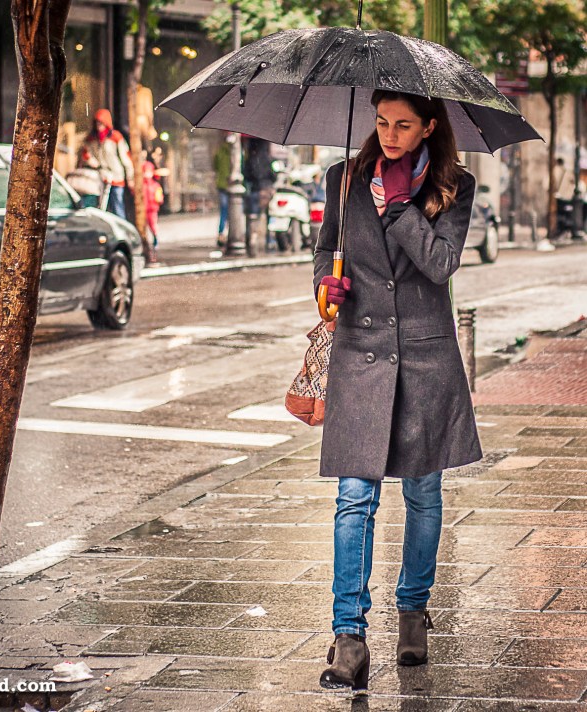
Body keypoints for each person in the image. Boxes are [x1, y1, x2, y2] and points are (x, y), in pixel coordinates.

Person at [313, 89, 482, 692]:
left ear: (429, 128)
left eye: (403, 125)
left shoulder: (454, 187)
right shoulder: (343, 178)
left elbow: (440, 265)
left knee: (422, 494)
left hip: (425, 360)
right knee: (354, 497)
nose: (389, 134)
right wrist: (325, 291)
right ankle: (348, 637)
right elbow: (323, 252)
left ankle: (413, 613)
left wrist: (404, 209)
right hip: (359, 353)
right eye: (382, 122)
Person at [78, 109, 134, 220]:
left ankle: (121, 232)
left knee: (118, 207)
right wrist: (90, 160)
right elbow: (84, 154)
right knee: (101, 209)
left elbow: (126, 158)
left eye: (101, 122)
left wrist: (131, 178)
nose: (99, 125)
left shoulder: (116, 137)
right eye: (97, 122)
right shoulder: (91, 139)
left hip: (116, 177)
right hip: (99, 178)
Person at [213, 133, 233, 246]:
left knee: (224, 211)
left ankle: (221, 234)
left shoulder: (220, 151)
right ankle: (230, 234)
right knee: (232, 212)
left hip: (221, 184)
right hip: (230, 184)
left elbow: (215, 165)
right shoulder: (234, 152)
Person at [142, 161, 164, 249]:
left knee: (153, 225)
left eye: (149, 172)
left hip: (152, 209)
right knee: (143, 227)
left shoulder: (155, 185)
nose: (147, 174)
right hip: (143, 209)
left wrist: (158, 199)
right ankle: (145, 242)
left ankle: (155, 239)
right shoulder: (141, 185)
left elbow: (159, 197)